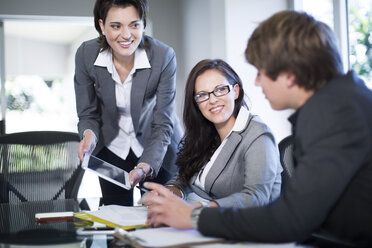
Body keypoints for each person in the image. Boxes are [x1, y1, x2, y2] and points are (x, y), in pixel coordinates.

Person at [141, 10, 372, 247]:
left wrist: (193, 216)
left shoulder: (335, 116)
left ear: (289, 75)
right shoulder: (343, 102)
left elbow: (292, 218)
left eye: (261, 72)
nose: (258, 82)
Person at [74, 0, 183, 206]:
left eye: (134, 24)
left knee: (158, 222)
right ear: (101, 26)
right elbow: (88, 113)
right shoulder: (86, 54)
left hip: (157, 147)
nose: (126, 35)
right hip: (111, 147)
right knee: (116, 220)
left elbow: (163, 123)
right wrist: (89, 135)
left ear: (143, 23)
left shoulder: (163, 56)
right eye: (116, 26)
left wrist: (144, 167)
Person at [161, 59, 282, 208]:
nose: (212, 100)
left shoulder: (258, 135)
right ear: (196, 103)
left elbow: (256, 196)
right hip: (192, 221)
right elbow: (185, 176)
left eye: (220, 89)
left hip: (237, 225)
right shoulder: (205, 132)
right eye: (202, 95)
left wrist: (197, 210)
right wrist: (171, 192)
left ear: (236, 91)